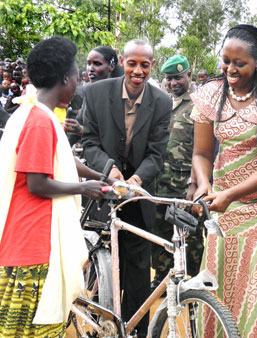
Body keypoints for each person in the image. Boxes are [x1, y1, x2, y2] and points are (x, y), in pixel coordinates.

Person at [191, 24, 257, 337]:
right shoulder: (211, 95)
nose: (230, 68)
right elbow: (201, 153)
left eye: (240, 63)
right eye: (226, 60)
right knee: (223, 262)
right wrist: (203, 183)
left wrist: (233, 194)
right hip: (226, 196)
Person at [0, 36, 109, 337]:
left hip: (27, 241)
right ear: (65, 78)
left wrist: (102, 178)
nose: (79, 78)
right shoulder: (39, 121)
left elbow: (60, 161)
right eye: (77, 72)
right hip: (32, 245)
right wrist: (82, 188)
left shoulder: (36, 113)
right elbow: (37, 183)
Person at [81, 39, 172, 338]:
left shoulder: (161, 101)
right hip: (101, 192)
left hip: (137, 198)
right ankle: (94, 329)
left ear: (152, 66)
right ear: (122, 61)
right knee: (97, 270)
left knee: (136, 275)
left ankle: (135, 333)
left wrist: (136, 181)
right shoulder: (94, 93)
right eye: (132, 63)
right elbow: (90, 143)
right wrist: (111, 172)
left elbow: (157, 154)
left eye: (144, 65)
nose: (138, 71)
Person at [150, 55, 204, 293]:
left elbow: (203, 151)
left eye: (178, 78)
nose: (173, 83)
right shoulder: (161, 104)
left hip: (185, 186)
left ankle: (194, 282)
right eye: (169, 78)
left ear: (188, 76)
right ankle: (162, 279)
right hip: (159, 184)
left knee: (190, 235)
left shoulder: (198, 106)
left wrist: (195, 184)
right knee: (160, 234)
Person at [64, 46, 120, 142]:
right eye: (89, 63)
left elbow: (111, 134)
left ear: (111, 66)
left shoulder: (119, 94)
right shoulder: (90, 92)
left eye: (97, 64)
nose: (91, 69)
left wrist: (81, 130)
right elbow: (80, 121)